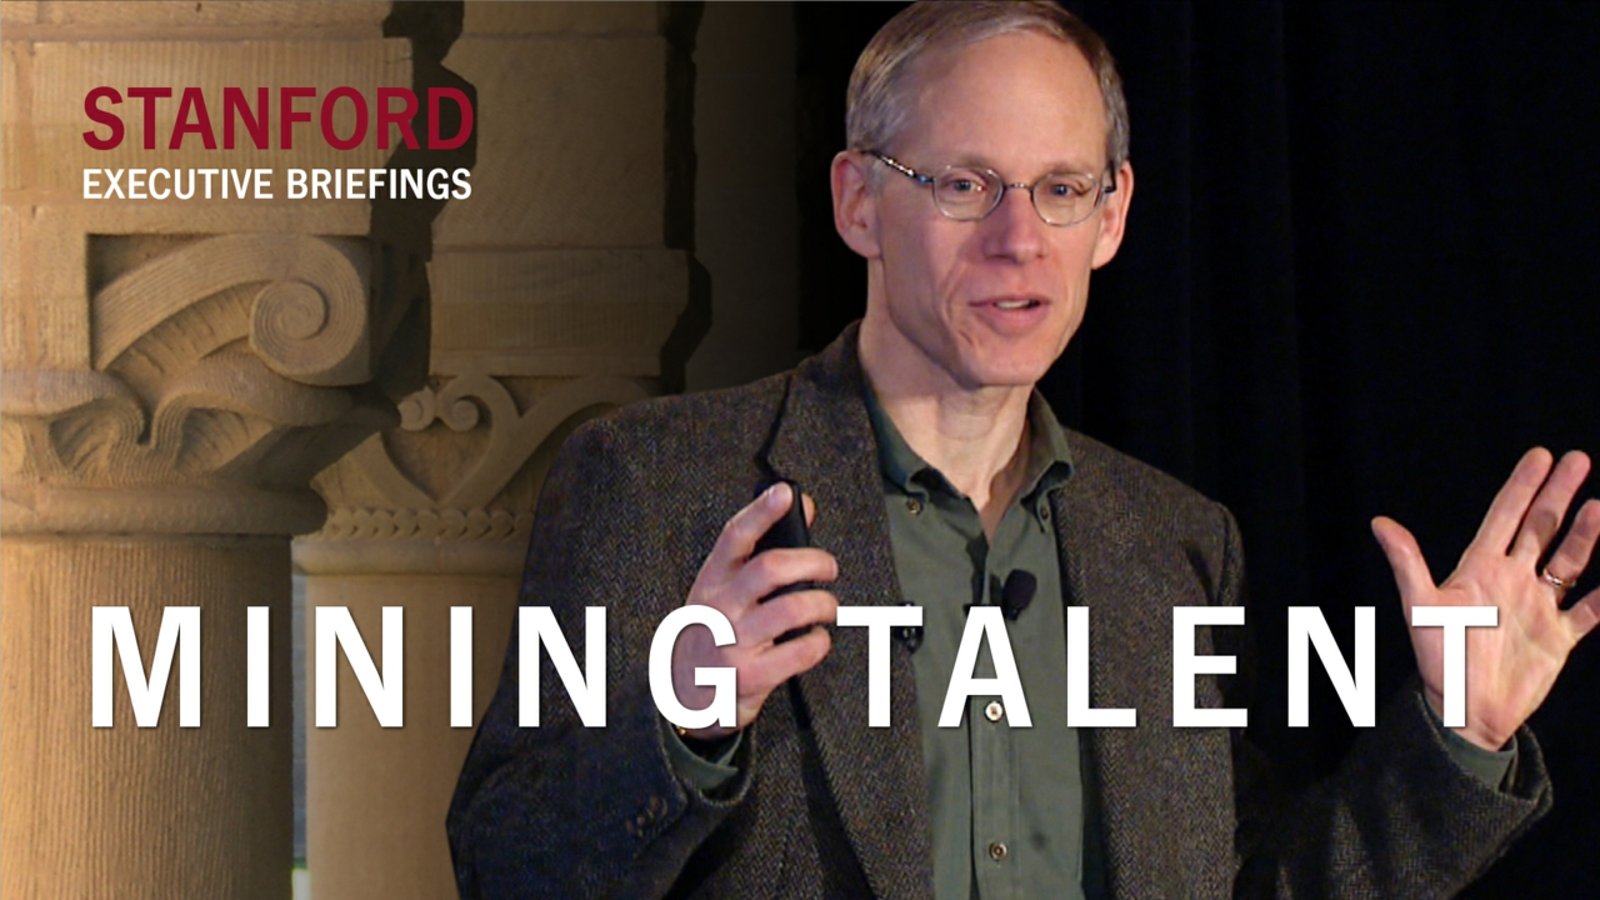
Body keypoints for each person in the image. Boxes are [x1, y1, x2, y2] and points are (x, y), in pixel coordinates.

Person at [446, 3, 1599, 896]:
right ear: (858, 202)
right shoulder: (659, 484)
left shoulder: (1174, 544)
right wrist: (684, 732)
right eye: (963, 184)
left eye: (1060, 189)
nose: (1018, 240)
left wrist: (1458, 740)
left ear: (1112, 217)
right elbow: (507, 868)